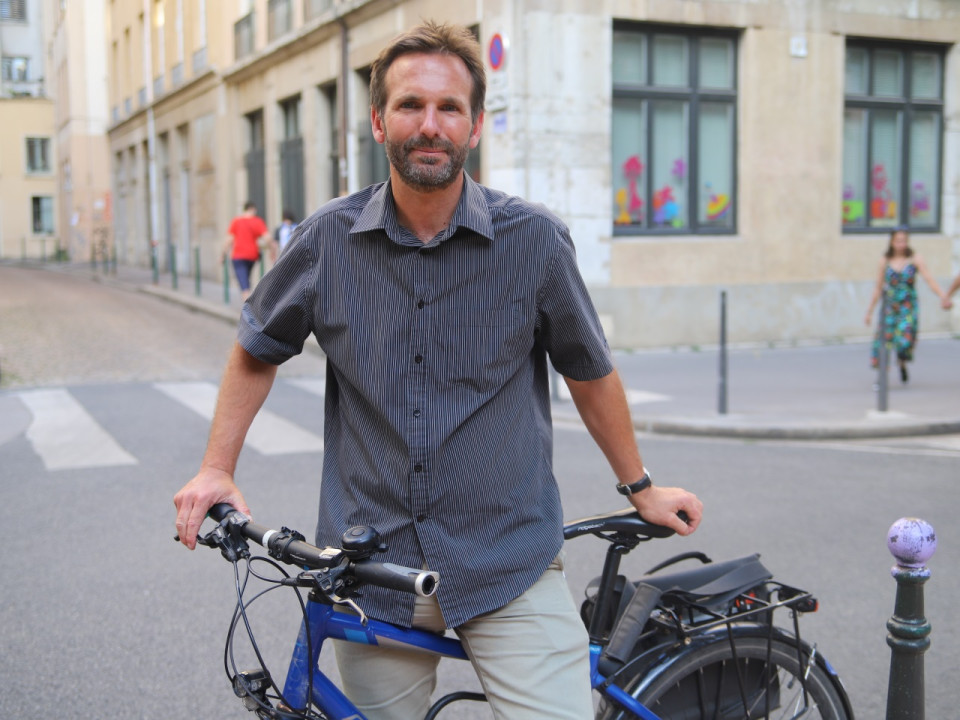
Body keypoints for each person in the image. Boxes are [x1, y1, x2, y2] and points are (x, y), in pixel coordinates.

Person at [174, 21, 702, 720]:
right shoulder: (326, 240)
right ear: (377, 120)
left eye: (449, 108)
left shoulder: (534, 242)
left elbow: (589, 371)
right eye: (411, 105)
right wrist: (216, 466)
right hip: (372, 568)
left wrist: (640, 486)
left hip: (507, 562)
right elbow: (256, 348)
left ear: (475, 124)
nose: (431, 125)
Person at [864, 228, 948, 383]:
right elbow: (878, 287)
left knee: (905, 340)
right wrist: (869, 311)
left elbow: (929, 279)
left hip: (907, 306)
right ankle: (882, 377)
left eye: (904, 241)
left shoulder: (915, 258)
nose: (901, 244)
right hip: (890, 306)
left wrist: (943, 296)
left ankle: (902, 362)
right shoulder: (885, 260)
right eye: (898, 241)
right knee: (883, 340)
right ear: (892, 241)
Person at [222, 201, 269, 301]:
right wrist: (271, 249)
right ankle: (249, 303)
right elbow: (267, 238)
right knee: (246, 279)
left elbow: (229, 240)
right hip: (252, 255)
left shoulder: (236, 221)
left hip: (238, 256)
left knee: (244, 285)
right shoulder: (258, 221)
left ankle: (247, 311)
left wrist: (223, 254)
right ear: (253, 209)